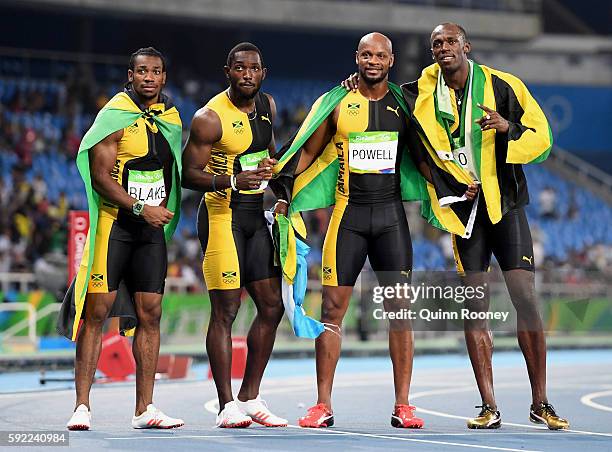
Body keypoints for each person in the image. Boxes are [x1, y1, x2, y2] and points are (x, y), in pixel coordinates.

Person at [347, 23, 569, 430]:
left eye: (451, 41)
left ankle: (541, 402)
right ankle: (489, 406)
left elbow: (543, 137)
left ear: (467, 46)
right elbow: (384, 91)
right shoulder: (420, 91)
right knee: (475, 306)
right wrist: (355, 81)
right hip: (463, 212)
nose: (443, 48)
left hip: (504, 206)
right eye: (436, 44)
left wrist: (508, 129)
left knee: (525, 299)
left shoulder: (504, 86)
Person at [272, 32, 473, 429]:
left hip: (391, 221)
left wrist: (454, 185)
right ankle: (322, 405)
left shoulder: (404, 103)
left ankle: (403, 405)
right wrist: (283, 190)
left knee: (400, 313)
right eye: (366, 54)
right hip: (347, 218)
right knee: (332, 311)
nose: (373, 60)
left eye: (380, 55)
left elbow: (425, 157)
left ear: (391, 60)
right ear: (357, 58)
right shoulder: (337, 102)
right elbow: (307, 151)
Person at [59, 47, 184, 430]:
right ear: (130, 75)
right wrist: (139, 208)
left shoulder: (171, 118)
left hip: (151, 234)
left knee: (151, 315)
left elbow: (172, 173)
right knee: (96, 314)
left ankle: (144, 409)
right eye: (142, 71)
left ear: (164, 78)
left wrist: (155, 213)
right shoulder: (113, 116)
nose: (149, 77)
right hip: (116, 228)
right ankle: (82, 406)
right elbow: (101, 178)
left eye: (156, 72)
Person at [182, 42, 287, 428]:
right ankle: (226, 404)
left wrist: (283, 198)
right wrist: (230, 179)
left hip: (254, 216)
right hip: (221, 215)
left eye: (254, 68)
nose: (247, 74)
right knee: (226, 310)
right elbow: (188, 174)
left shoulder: (268, 107)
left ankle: (251, 396)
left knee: (272, 306)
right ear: (227, 71)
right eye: (239, 68)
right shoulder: (209, 117)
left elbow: (268, 154)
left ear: (263, 73)